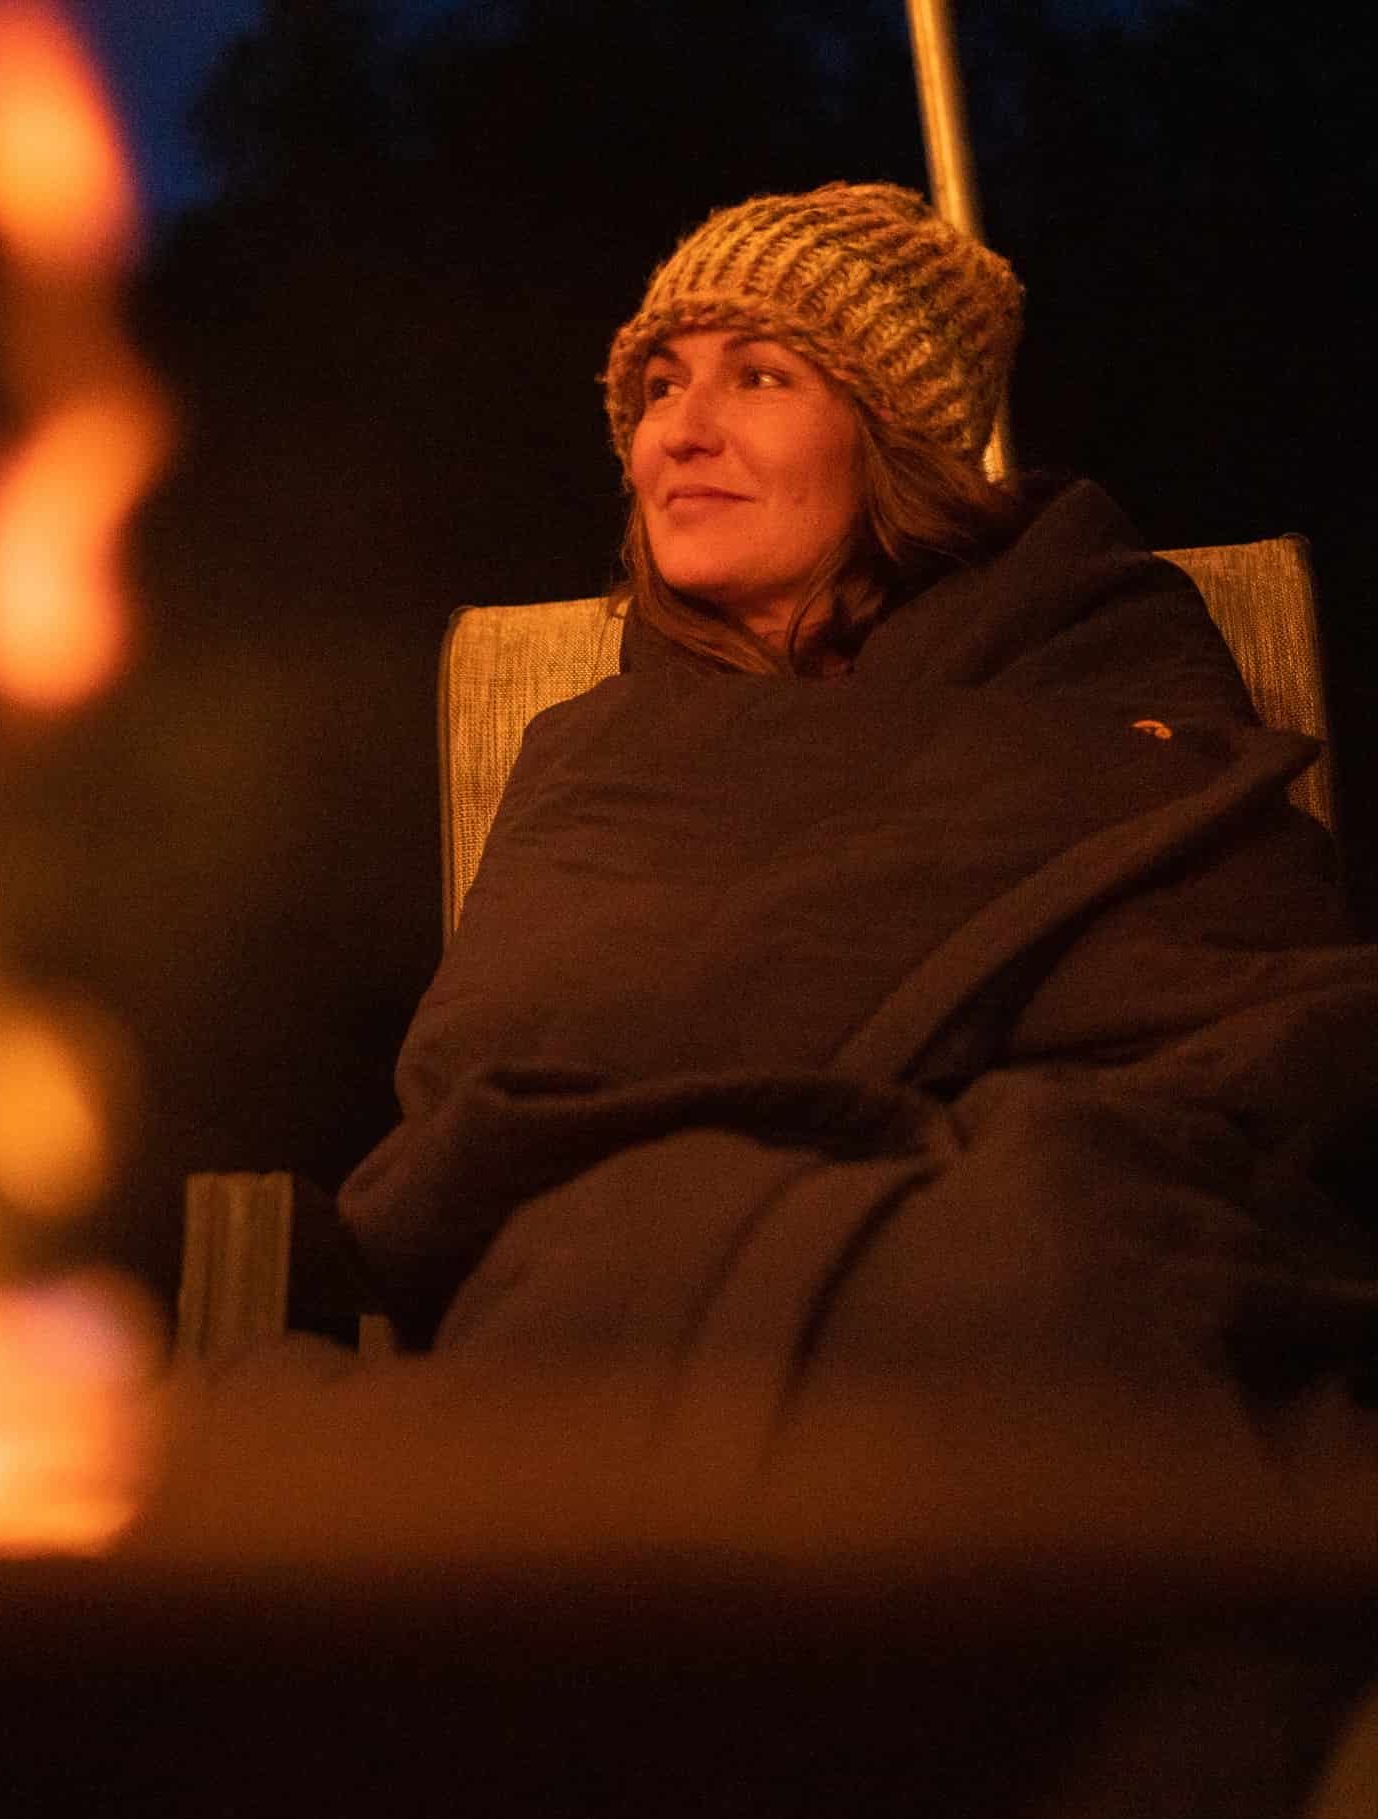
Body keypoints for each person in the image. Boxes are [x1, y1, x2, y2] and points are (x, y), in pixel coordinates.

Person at [319, 181, 1378, 1432]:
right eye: (659, 385)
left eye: (758, 377)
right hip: (625, 1239)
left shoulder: (1088, 647)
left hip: (1058, 1221)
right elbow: (483, 1087)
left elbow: (1241, 995)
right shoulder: (601, 757)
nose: (680, 432)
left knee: (1046, 1249)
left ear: (895, 433)